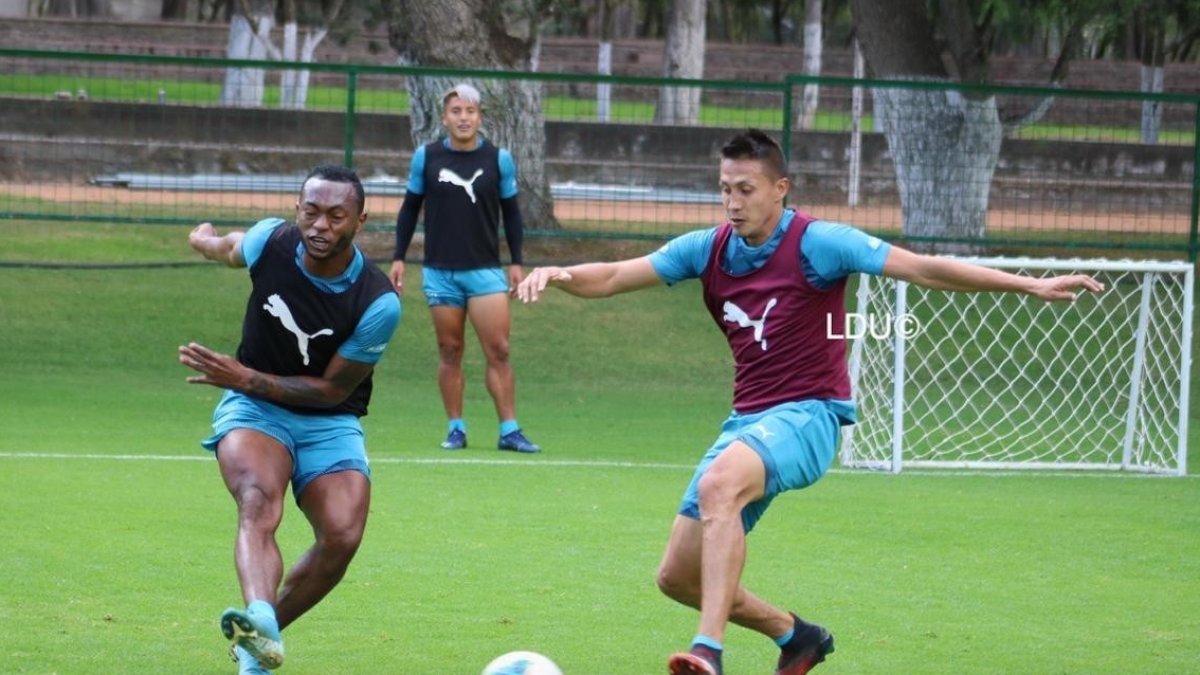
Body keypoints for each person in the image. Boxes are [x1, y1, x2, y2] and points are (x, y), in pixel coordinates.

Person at [516, 130, 1104, 675]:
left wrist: (1028, 283)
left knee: (720, 487)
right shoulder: (708, 249)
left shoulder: (818, 243)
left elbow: (923, 268)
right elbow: (616, 276)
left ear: (780, 188)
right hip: (747, 421)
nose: (733, 201)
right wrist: (562, 273)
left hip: (811, 416)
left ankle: (708, 651)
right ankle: (797, 636)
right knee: (675, 577)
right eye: (724, 189)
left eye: (746, 189)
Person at [179, 164, 402, 674]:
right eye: (311, 211)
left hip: (327, 416)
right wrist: (205, 241)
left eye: (336, 216)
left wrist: (246, 377)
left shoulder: (377, 302)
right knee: (257, 500)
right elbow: (231, 247)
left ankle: (261, 635)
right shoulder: (271, 242)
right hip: (254, 411)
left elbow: (333, 389)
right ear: (297, 209)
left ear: (360, 221)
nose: (320, 226)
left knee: (343, 536)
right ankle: (257, 629)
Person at [389, 82, 541, 454]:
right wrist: (398, 257)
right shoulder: (426, 158)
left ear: (480, 117)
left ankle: (510, 429)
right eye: (456, 111)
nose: (463, 118)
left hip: (485, 271)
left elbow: (512, 213)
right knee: (449, 349)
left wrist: (517, 262)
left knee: (499, 349)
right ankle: (456, 427)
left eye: (470, 111)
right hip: (439, 271)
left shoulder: (498, 159)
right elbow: (409, 209)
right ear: (444, 118)